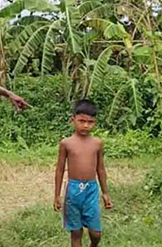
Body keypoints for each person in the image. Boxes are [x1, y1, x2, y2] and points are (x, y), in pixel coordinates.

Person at [53, 100, 113, 247]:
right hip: (73, 191)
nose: (86, 125)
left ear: (95, 123)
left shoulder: (97, 143)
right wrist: (57, 195)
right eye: (81, 121)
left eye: (90, 122)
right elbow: (60, 169)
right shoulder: (66, 143)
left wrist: (105, 193)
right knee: (76, 232)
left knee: (96, 233)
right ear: (72, 120)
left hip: (91, 190)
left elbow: (100, 168)